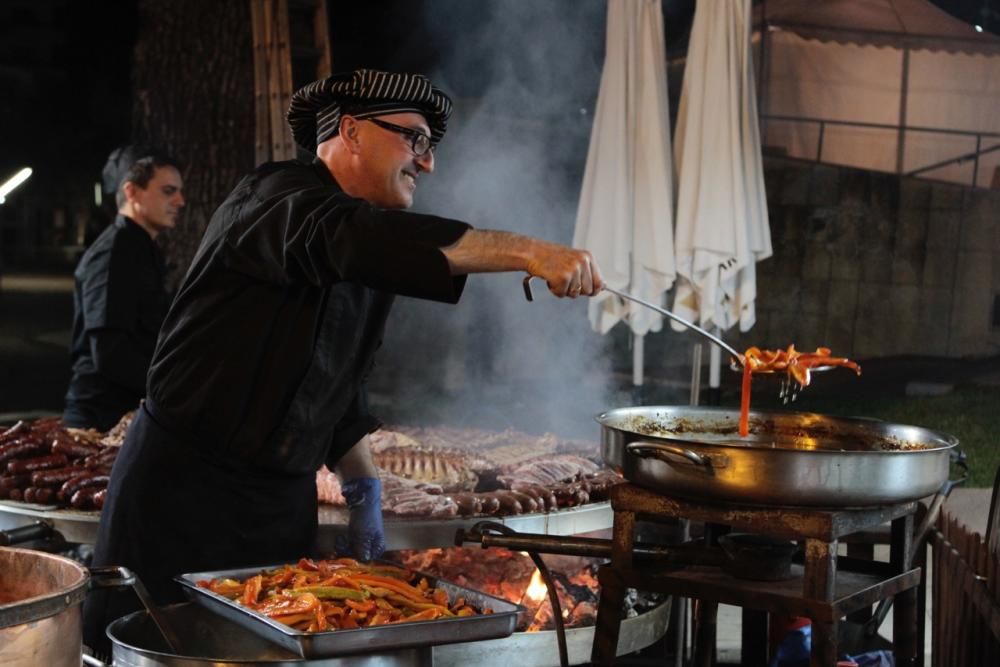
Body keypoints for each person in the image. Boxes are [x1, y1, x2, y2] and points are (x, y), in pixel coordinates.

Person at [82, 69, 601, 649]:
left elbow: (340, 392)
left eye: (431, 147)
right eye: (415, 140)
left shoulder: (368, 256)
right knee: (151, 654)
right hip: (181, 498)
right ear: (351, 131)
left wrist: (365, 495)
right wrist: (529, 251)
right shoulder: (275, 198)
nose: (427, 164)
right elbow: (351, 236)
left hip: (278, 507)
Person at [63, 146, 185, 431]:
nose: (181, 201)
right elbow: (110, 354)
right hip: (101, 419)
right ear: (131, 192)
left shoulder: (140, 249)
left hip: (127, 413)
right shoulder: (114, 253)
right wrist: (175, 389)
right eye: (169, 191)